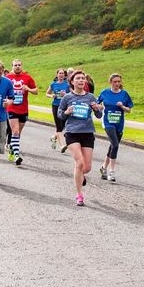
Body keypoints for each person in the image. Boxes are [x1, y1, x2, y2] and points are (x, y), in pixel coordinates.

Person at [57, 70, 103, 206]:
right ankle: (79, 195)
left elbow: (99, 116)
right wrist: (66, 112)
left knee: (87, 168)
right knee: (80, 163)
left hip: (87, 132)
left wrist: (96, 109)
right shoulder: (67, 98)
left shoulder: (90, 97)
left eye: (83, 78)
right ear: (72, 81)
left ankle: (80, 175)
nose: (81, 80)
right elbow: (60, 115)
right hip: (72, 132)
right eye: (78, 78)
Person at [97, 73, 134, 182]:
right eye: (115, 82)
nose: (117, 84)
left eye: (119, 81)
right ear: (111, 82)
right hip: (108, 122)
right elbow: (97, 104)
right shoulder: (105, 93)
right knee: (115, 144)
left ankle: (103, 167)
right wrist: (100, 106)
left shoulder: (124, 94)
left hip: (119, 123)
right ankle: (111, 171)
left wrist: (122, 106)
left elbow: (129, 110)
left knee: (113, 146)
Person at [5, 58, 38, 165]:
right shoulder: (7, 78)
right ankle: (16, 155)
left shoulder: (27, 77)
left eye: (19, 65)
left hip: (23, 109)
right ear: (12, 66)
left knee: (18, 133)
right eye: (15, 65)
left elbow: (36, 91)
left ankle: (11, 147)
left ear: (22, 66)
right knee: (15, 131)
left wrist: (28, 89)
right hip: (11, 108)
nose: (17, 66)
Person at [46, 69, 70, 152]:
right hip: (56, 106)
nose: (61, 75)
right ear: (57, 75)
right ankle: (62, 145)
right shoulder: (53, 84)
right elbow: (47, 93)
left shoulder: (67, 85)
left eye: (62, 73)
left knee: (63, 125)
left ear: (65, 75)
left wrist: (65, 95)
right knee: (59, 125)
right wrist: (51, 95)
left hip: (64, 107)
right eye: (60, 73)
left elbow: (72, 95)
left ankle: (54, 137)